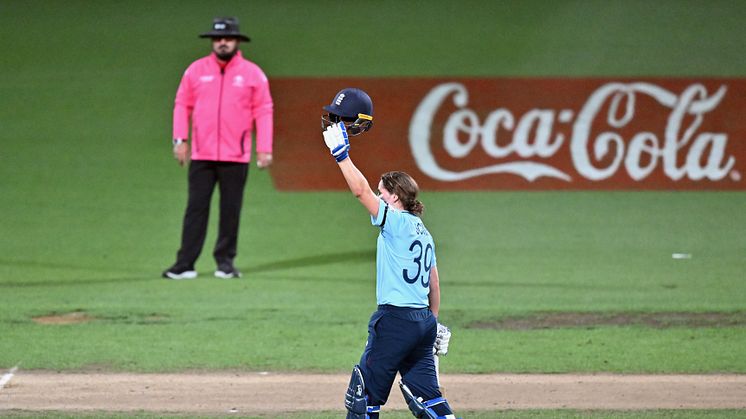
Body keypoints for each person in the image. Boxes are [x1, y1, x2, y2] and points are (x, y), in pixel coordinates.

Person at [321, 88, 456, 419]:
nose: (377, 197)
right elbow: (434, 285)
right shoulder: (424, 232)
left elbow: (359, 190)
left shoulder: (394, 223)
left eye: (383, 193)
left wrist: (341, 156)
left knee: (363, 397)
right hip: (422, 321)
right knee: (427, 398)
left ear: (395, 197)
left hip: (395, 320)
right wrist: (433, 322)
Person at [162, 17, 273, 280]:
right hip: (202, 153)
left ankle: (225, 263)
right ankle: (185, 264)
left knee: (230, 209)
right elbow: (182, 105)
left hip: (236, 154)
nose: (222, 43)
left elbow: (264, 110)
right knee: (195, 208)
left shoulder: (252, 74)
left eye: (227, 38)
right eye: (218, 38)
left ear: (236, 41)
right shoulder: (195, 71)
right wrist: (180, 139)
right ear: (212, 41)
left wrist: (264, 148)